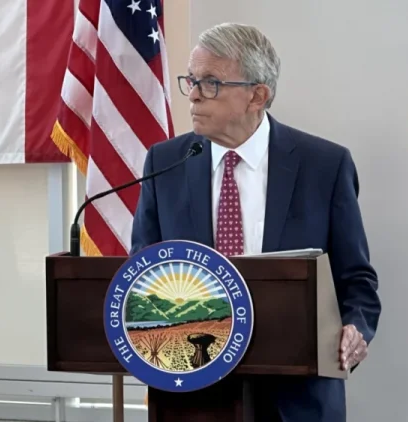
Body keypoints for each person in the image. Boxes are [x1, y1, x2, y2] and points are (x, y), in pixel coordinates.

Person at [129, 22, 381, 421]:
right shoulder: (164, 163)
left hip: (298, 399)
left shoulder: (324, 166)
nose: (193, 94)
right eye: (191, 80)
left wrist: (356, 330)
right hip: (192, 397)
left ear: (257, 95)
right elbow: (144, 271)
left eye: (210, 82)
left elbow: (356, 280)